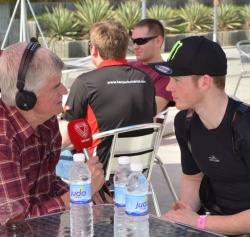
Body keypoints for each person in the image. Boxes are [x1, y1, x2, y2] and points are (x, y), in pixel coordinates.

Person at [149, 36, 250, 237]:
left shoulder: (245, 127)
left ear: (204, 82)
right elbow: (193, 178)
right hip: (214, 227)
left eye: (177, 79)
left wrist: (198, 222)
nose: (169, 87)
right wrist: (187, 212)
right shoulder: (184, 122)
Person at [0, 41, 104, 218]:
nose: (64, 91)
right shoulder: (3, 141)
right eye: (55, 87)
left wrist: (89, 197)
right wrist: (78, 194)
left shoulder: (48, 121)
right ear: (25, 99)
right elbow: (14, 221)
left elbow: (47, 184)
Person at [59, 20, 156, 177]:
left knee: (49, 156)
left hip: (99, 169)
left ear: (94, 50)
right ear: (125, 48)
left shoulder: (85, 82)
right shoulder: (145, 79)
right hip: (138, 167)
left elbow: (64, 137)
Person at [130, 18, 174, 115]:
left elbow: (148, 112)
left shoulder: (166, 74)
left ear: (158, 41)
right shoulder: (128, 65)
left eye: (141, 41)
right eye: (133, 41)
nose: (135, 46)